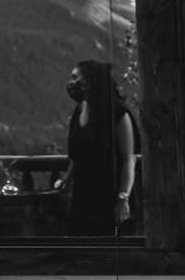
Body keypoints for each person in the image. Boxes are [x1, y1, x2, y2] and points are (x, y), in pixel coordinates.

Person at [56, 59, 140, 236]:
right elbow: (77, 156)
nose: (71, 83)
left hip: (109, 196)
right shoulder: (80, 109)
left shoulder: (117, 113)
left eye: (75, 77)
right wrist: (66, 181)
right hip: (83, 197)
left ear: (89, 81)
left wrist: (123, 198)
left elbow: (128, 160)